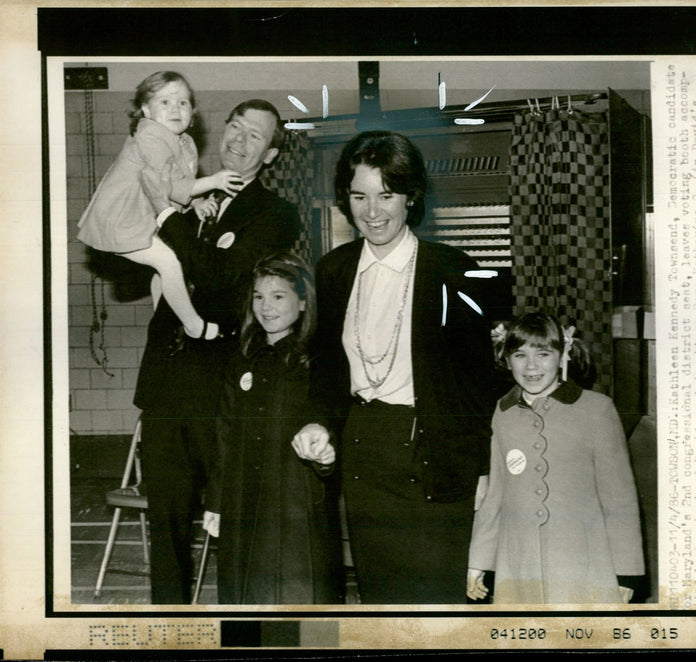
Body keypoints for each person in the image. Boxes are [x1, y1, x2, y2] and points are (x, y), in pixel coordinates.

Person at [292, 131, 495, 604]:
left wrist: (484, 468)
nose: (372, 211)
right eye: (359, 196)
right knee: (382, 596)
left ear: (410, 198)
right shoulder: (333, 270)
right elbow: (326, 370)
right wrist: (319, 422)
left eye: (387, 194)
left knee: (440, 599)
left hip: (436, 450)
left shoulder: (453, 269)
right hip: (365, 449)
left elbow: (478, 382)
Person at [133, 98, 301, 604]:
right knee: (163, 519)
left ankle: (236, 622)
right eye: (234, 126)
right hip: (165, 382)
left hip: (220, 388)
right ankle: (168, 622)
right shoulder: (188, 189)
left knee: (226, 516)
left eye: (255, 136)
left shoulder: (275, 213)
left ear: (270, 155)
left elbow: (224, 280)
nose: (238, 139)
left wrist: (168, 215)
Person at [466, 312, 645, 604]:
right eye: (520, 355)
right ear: (507, 360)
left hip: (584, 563)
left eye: (543, 354)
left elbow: (619, 499)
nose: (532, 366)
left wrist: (626, 571)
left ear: (563, 356)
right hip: (518, 564)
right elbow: (494, 496)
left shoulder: (597, 410)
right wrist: (479, 561)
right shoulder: (503, 412)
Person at [210, 252, 344, 604]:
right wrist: (215, 502)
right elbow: (223, 431)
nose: (266, 307)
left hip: (294, 499)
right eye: (259, 296)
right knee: (244, 596)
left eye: (278, 296)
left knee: (300, 600)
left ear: (302, 302)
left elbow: (331, 416)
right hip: (242, 497)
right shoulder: (241, 354)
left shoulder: (321, 357)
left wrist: (324, 450)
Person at [77, 70, 245, 340]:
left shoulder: (184, 142)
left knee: (166, 265)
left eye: (183, 102)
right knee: (167, 261)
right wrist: (213, 181)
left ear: (193, 111)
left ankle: (162, 320)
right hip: (121, 218)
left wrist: (197, 201)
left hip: (141, 216)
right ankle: (194, 325)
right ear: (146, 110)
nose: (175, 109)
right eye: (164, 102)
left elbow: (179, 181)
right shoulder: (150, 136)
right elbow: (166, 188)